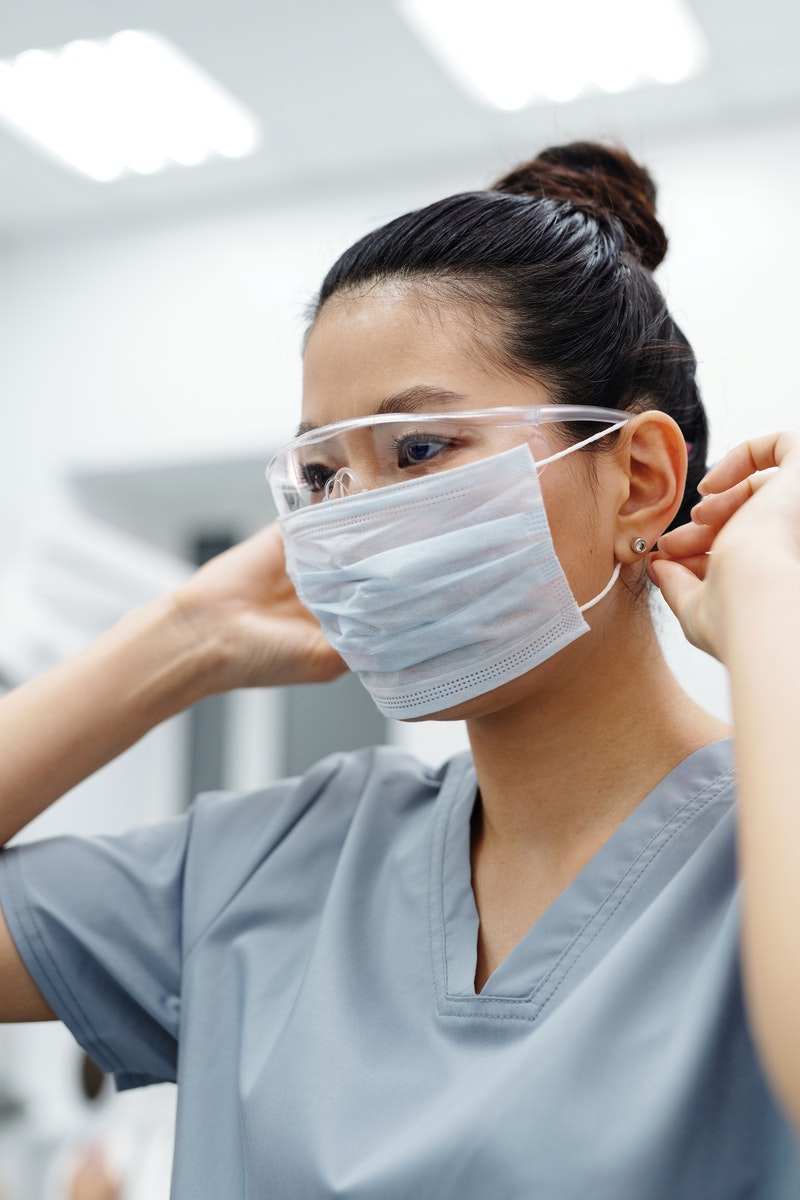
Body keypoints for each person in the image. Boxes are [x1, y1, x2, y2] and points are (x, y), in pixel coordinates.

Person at [0, 142, 798, 1198]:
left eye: (417, 452)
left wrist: (771, 611)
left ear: (640, 480)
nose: (358, 519)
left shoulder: (758, 859)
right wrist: (182, 635)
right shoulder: (268, 865)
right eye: (323, 474)